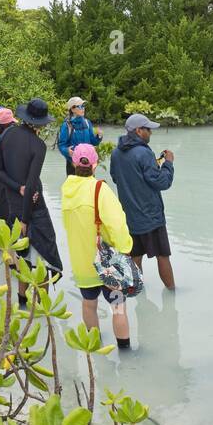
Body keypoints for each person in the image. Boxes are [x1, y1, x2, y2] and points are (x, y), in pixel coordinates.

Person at [61, 143, 133, 350]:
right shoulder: (100, 189)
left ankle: (93, 347)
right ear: (95, 165)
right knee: (118, 306)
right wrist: (125, 248)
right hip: (107, 263)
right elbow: (117, 224)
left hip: (82, 262)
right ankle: (125, 352)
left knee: (89, 304)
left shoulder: (66, 190)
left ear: (74, 163)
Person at [0, 97, 64, 305]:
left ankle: (22, 302)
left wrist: (17, 187)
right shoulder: (38, 146)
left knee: (23, 256)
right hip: (33, 207)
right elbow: (31, 185)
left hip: (12, 204)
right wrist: (26, 218)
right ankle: (42, 307)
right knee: (44, 258)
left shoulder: (7, 135)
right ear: (41, 123)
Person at [110, 112, 176, 289]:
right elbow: (162, 182)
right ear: (139, 131)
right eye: (148, 129)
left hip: (130, 217)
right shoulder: (143, 153)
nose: (150, 133)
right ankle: (173, 295)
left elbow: (117, 178)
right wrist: (168, 164)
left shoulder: (116, 153)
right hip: (151, 217)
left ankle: (138, 294)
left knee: (136, 256)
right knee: (162, 255)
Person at [57, 97, 102, 176]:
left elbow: (93, 142)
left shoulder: (87, 122)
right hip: (73, 164)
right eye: (80, 106)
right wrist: (67, 151)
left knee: (89, 187)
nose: (83, 109)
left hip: (88, 163)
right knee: (74, 187)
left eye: (83, 106)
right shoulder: (66, 126)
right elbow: (61, 145)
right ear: (72, 109)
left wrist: (99, 136)